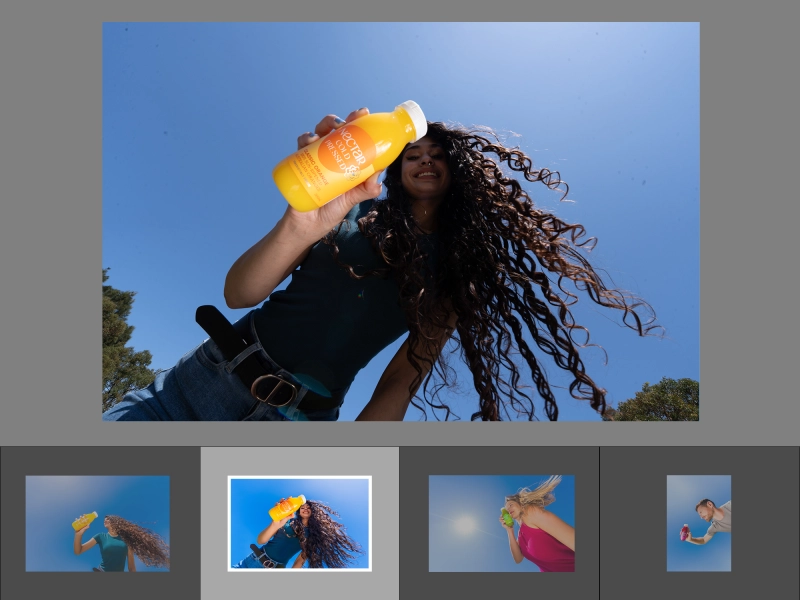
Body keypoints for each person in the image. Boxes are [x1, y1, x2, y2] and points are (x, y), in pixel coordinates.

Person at [103, 106, 659, 422]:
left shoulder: (456, 278)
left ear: (457, 173)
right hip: (192, 389)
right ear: (395, 166)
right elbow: (239, 293)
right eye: (413, 153)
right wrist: (302, 222)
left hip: (299, 424)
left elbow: (398, 385)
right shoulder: (352, 207)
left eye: (438, 156)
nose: (425, 161)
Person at [232, 499, 363, 569]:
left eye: (308, 508)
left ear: (314, 512)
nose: (305, 509)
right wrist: (275, 523)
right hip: (252, 562)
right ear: (298, 510)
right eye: (302, 507)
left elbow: (298, 563)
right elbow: (261, 540)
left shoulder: (312, 537)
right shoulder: (288, 521)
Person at [499, 476, 575, 572]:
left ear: (521, 504)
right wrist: (509, 530)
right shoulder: (520, 535)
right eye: (506, 509)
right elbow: (518, 559)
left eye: (511, 505)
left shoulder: (531, 512)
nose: (508, 509)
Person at [73, 514, 170, 572]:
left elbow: (131, 568)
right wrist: (78, 534)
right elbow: (78, 551)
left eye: (109, 518)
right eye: (104, 519)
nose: (105, 519)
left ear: (117, 522)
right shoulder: (100, 536)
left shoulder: (126, 541)